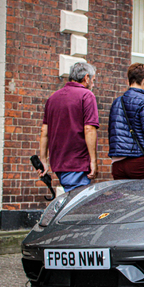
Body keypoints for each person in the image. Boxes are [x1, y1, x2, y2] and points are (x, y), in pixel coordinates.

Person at [39, 62, 99, 192]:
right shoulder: (86, 95)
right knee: (77, 204)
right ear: (86, 78)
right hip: (77, 162)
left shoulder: (53, 98)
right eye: (93, 81)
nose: (93, 85)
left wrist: (43, 160)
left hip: (59, 162)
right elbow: (89, 129)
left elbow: (44, 131)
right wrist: (93, 161)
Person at [108, 63, 144, 179]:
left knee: (122, 197)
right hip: (138, 162)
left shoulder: (117, 102)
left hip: (117, 163)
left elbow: (112, 133)